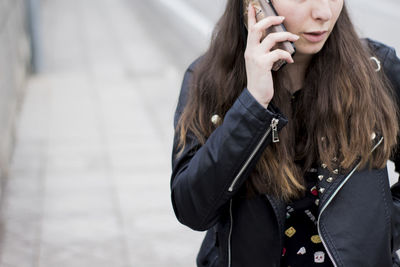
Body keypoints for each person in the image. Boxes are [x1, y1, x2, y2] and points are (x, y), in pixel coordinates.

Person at [170, 0, 400, 266]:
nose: (323, 13)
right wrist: (253, 105)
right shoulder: (210, 80)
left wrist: (379, 230)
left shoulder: (375, 71)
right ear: (255, 4)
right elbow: (192, 210)